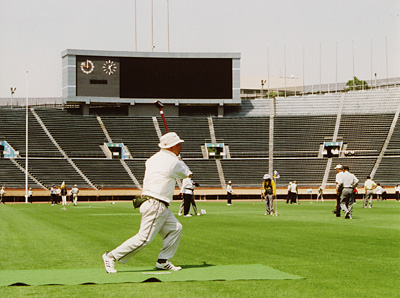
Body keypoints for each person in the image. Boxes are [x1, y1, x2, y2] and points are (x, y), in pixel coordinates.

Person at [102, 132, 192, 273]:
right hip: (156, 203)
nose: (181, 146)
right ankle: (111, 256)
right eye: (178, 144)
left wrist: (177, 159)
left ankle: (163, 261)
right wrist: (180, 160)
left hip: (153, 202)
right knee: (144, 238)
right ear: (172, 147)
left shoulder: (152, 159)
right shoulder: (173, 162)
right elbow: (188, 174)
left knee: (175, 229)